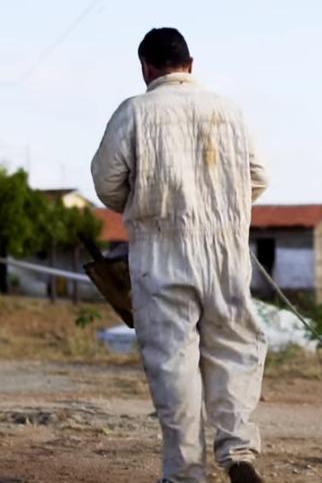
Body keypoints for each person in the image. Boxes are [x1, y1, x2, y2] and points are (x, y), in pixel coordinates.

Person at [91, 27, 270, 483]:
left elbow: (107, 185)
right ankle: (239, 453)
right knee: (234, 348)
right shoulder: (230, 111)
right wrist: (225, 206)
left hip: (160, 251)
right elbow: (259, 177)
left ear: (146, 68)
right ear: (190, 65)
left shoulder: (134, 111)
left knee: (173, 362)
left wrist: (147, 201)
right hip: (225, 251)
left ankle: (187, 473)